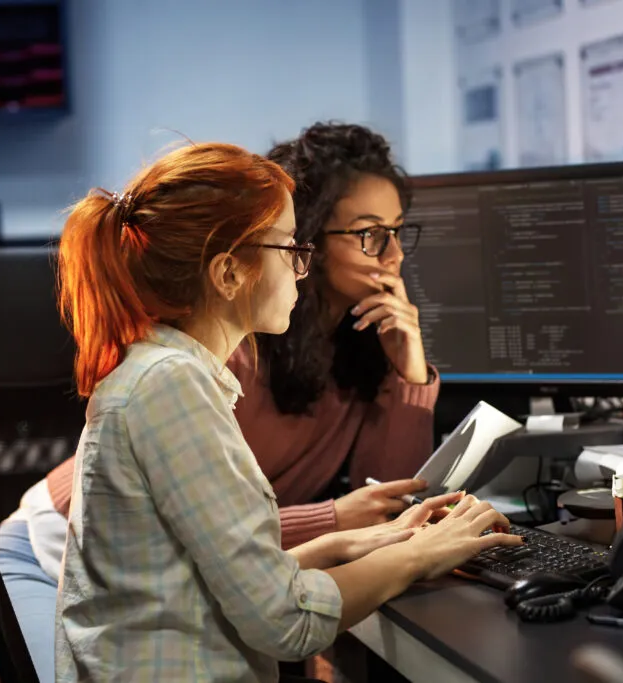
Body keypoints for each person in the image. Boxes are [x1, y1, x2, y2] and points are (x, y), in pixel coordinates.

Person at [0, 123, 452, 681]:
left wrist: (379, 533)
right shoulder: (188, 375)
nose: (395, 256)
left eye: (398, 232)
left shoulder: (192, 365)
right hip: (40, 559)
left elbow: (222, 551)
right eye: (293, 248)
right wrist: (394, 547)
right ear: (231, 271)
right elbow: (274, 607)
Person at [50, 141, 520, 681]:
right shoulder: (173, 387)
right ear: (228, 275)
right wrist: (420, 555)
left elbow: (190, 579)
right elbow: (286, 621)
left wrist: (347, 543)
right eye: (290, 250)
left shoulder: (172, 373)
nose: (302, 268)